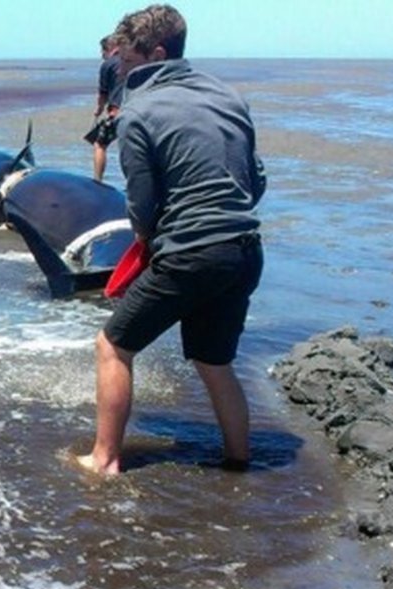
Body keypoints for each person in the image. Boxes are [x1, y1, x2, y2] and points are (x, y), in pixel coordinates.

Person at [77, 4, 267, 477]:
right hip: (245, 250)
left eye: (125, 59)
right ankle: (239, 461)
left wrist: (145, 243)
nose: (118, 68)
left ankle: (103, 459)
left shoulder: (139, 111)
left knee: (113, 345)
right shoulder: (228, 96)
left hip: (191, 252)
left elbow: (141, 204)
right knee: (214, 361)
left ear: (156, 53)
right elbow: (256, 180)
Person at [84, 34, 124, 182]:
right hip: (136, 110)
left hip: (117, 113)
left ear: (109, 49)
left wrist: (99, 110)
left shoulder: (108, 64)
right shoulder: (134, 62)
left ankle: (97, 180)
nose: (102, 55)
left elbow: (103, 94)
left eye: (102, 51)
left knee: (100, 144)